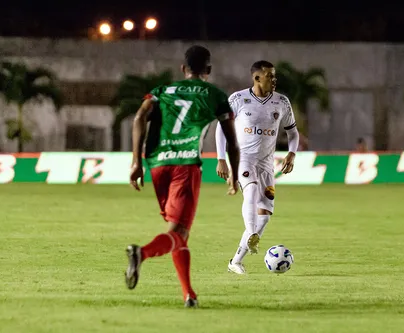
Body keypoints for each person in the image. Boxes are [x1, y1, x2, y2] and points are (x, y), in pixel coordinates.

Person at [125, 45, 241, 308]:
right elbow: (232, 141)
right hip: (186, 164)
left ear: (182, 69)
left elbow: (140, 116)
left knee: (179, 234)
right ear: (208, 71)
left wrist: (136, 161)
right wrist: (233, 175)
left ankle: (189, 294)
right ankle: (140, 253)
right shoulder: (216, 95)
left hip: (157, 164)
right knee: (179, 232)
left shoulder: (162, 91)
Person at [215, 60, 300, 275]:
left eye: (274, 75)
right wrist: (221, 158)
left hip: (266, 165)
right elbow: (220, 128)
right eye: (269, 76)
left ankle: (236, 261)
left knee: (265, 215)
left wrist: (291, 153)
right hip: (243, 159)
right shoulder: (238, 99)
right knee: (250, 191)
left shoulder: (281, 102)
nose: (274, 79)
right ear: (256, 78)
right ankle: (252, 233)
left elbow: (293, 132)